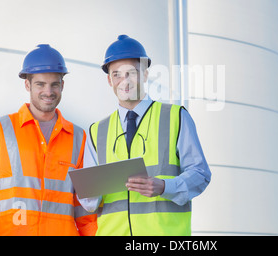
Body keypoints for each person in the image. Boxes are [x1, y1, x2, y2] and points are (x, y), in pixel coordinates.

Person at [79, 35, 211, 236]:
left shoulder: (176, 117)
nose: (124, 82)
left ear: (145, 74)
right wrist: (86, 188)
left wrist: (165, 186)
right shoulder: (97, 131)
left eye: (131, 73)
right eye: (116, 75)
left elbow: (200, 175)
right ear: (109, 80)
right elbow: (89, 204)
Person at [0, 44, 97, 236]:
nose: (48, 91)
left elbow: (86, 207)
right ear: (27, 85)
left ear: (62, 85)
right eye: (40, 84)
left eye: (54, 84)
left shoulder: (79, 138)